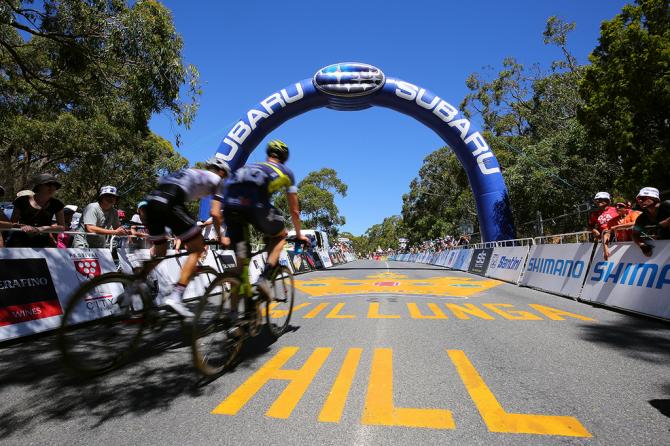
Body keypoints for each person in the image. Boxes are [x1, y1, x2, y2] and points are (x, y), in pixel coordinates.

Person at [215, 139, 310, 294]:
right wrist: (299, 235)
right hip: (254, 206)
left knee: (240, 266)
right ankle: (264, 278)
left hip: (230, 207)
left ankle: (232, 315)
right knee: (281, 236)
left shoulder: (248, 166)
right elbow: (294, 211)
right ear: (284, 158)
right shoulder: (286, 172)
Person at [145, 158, 231, 317]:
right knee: (197, 249)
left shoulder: (187, 171)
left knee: (161, 251)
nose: (223, 179)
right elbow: (215, 214)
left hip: (151, 202)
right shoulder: (218, 180)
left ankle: (133, 284)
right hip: (172, 201)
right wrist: (221, 237)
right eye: (224, 176)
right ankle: (176, 296)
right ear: (221, 172)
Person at [5, 174, 65, 248]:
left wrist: (43, 228)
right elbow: (12, 223)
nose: (52, 187)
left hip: (42, 244)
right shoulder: (21, 200)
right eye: (48, 184)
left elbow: (62, 227)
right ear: (39, 186)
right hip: (19, 242)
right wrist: (23, 227)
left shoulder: (57, 204)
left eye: (55, 185)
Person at [632, 187, 670, 257]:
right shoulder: (642, 218)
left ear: (654, 198)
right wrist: (642, 245)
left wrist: (667, 221)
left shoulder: (667, 205)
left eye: (643, 198)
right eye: (638, 199)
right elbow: (635, 234)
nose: (640, 201)